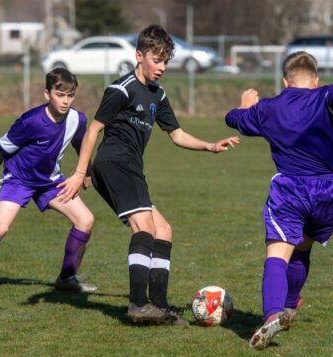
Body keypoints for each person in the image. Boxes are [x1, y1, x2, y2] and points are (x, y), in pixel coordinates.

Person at [56, 24, 239, 326]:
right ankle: (138, 305)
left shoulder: (158, 95)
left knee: (163, 230)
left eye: (166, 61)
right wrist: (80, 173)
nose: (162, 67)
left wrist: (210, 146)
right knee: (143, 227)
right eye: (157, 60)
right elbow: (93, 130)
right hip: (114, 164)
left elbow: (177, 135)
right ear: (139, 56)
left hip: (130, 167)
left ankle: (159, 305)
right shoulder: (121, 89)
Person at [224, 51, 333, 349]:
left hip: (290, 191)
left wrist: (244, 107)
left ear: (285, 81)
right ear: (316, 79)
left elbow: (232, 119)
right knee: (303, 247)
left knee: (277, 256)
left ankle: (273, 314)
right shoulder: (326, 95)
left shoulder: (268, 108)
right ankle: (291, 306)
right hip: (326, 191)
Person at [0, 68, 98, 300]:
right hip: (19, 179)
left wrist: (86, 173)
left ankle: (66, 278)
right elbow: (3, 147)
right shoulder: (30, 121)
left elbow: (80, 145)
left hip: (50, 181)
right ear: (47, 94)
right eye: (60, 94)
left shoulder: (77, 120)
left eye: (70, 95)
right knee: (0, 228)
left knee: (85, 220)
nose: (65, 101)